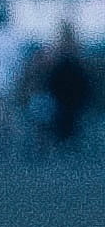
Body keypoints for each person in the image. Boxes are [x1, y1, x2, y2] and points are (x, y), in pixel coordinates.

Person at [31, 24, 94, 156]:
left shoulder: (59, 50)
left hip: (64, 89)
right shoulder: (74, 50)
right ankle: (66, 144)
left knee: (64, 119)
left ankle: (62, 144)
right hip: (69, 90)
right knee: (68, 119)